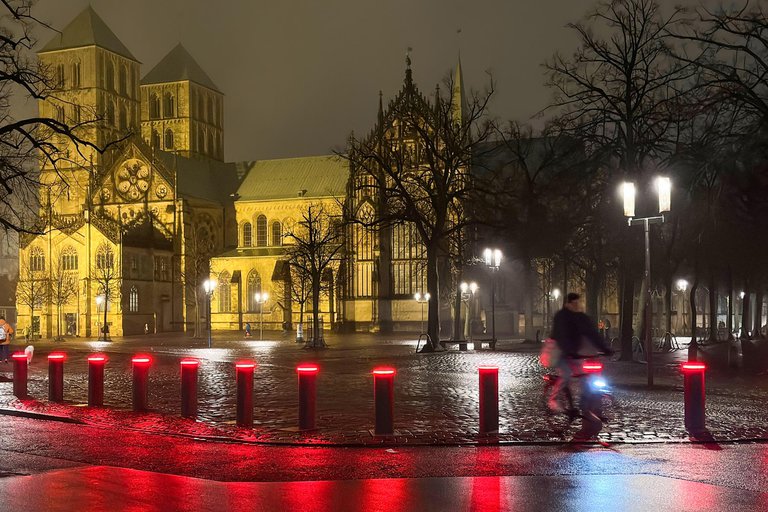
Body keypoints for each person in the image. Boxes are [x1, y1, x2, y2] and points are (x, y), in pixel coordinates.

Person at [548, 293, 612, 412]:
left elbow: (592, 333)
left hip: (575, 353)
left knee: (586, 375)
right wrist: (569, 351)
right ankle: (553, 400)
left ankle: (584, 406)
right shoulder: (561, 317)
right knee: (566, 374)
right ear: (568, 303)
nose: (577, 305)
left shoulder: (581, 317)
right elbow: (562, 336)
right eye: (574, 303)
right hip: (560, 352)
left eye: (578, 302)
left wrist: (605, 348)